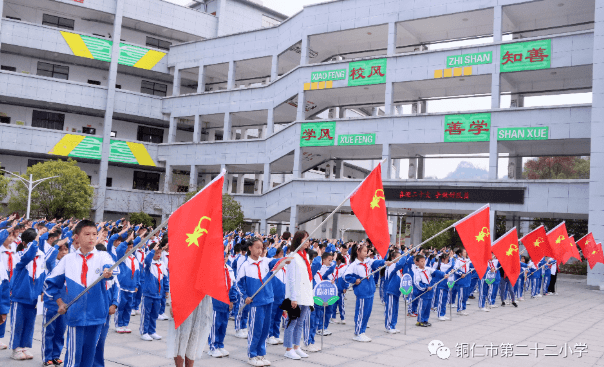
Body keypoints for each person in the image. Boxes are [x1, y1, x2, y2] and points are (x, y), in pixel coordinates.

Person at [44, 220, 116, 367]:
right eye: (87, 234)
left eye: (94, 234)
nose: (91, 238)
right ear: (76, 237)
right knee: (73, 358)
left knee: (90, 358)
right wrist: (59, 302)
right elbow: (49, 283)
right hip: (76, 316)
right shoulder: (68, 260)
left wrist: (108, 272)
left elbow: (110, 268)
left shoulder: (103, 256)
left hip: (97, 316)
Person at [237, 237, 275, 366]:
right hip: (255, 302)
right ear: (250, 248)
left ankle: (261, 354)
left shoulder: (265, 261)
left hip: (268, 300)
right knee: (255, 330)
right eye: (257, 247)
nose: (260, 250)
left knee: (265, 330)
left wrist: (285, 260)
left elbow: (276, 262)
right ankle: (252, 355)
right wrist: (245, 296)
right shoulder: (245, 266)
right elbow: (238, 284)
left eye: (262, 248)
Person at [10, 228, 46, 360]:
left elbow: (43, 275)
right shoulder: (19, 255)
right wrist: (35, 242)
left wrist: (42, 291)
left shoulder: (41, 255)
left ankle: (24, 346)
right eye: (31, 242)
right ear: (25, 243)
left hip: (34, 296)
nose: (35, 244)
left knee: (29, 323)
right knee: (18, 323)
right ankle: (15, 348)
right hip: (20, 295)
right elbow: (28, 256)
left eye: (36, 241)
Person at [344, 242, 389, 342]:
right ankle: (357, 332)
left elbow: (376, 263)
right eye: (364, 251)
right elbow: (346, 276)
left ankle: (362, 331)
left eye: (367, 251)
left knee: (367, 313)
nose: (366, 253)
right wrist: (355, 280)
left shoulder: (368, 262)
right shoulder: (354, 265)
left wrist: (385, 262)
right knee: (361, 313)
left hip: (370, 291)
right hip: (362, 292)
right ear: (358, 252)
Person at [283, 230, 312, 360]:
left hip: (305, 295)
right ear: (299, 240)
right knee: (292, 322)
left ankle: (296, 347)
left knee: (300, 323)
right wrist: (293, 298)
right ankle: (288, 349)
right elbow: (291, 279)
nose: (308, 241)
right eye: (306, 239)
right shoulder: (293, 256)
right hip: (296, 296)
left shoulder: (304, 257)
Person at [42, 239, 69, 366]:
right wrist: (57, 244)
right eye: (61, 250)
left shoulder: (69, 265)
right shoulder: (53, 264)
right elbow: (48, 259)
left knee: (60, 331)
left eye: (66, 249)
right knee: (49, 332)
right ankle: (47, 356)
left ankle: (56, 355)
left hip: (65, 303)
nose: (64, 252)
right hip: (51, 304)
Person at [208, 251, 236, 358]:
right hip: (216, 301)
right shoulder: (213, 269)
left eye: (225, 256)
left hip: (226, 301)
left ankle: (220, 344)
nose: (224, 258)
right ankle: (213, 346)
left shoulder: (229, 269)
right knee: (215, 324)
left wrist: (232, 300)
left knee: (224, 325)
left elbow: (233, 285)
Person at [140, 242, 169, 341]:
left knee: (154, 314)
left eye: (160, 253)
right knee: (146, 313)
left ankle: (152, 331)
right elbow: (147, 259)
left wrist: (166, 290)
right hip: (148, 294)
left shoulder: (161, 264)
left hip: (158, 294)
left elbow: (165, 278)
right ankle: (144, 332)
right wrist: (152, 251)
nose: (159, 255)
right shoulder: (149, 264)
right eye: (156, 253)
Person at [412, 254, 445, 327]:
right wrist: (425, 288)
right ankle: (419, 321)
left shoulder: (428, 269)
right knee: (422, 307)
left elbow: (436, 272)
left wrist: (443, 275)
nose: (423, 263)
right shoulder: (417, 272)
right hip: (423, 292)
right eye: (421, 261)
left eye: (424, 261)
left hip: (430, 291)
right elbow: (417, 283)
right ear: (417, 262)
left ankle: (425, 320)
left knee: (428, 307)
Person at [383, 250, 408, 332]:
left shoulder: (397, 269)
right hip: (391, 291)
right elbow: (400, 264)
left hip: (396, 292)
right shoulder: (392, 266)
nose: (400, 259)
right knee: (390, 309)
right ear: (393, 258)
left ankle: (393, 325)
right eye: (399, 257)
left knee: (395, 309)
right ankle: (388, 326)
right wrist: (405, 255)